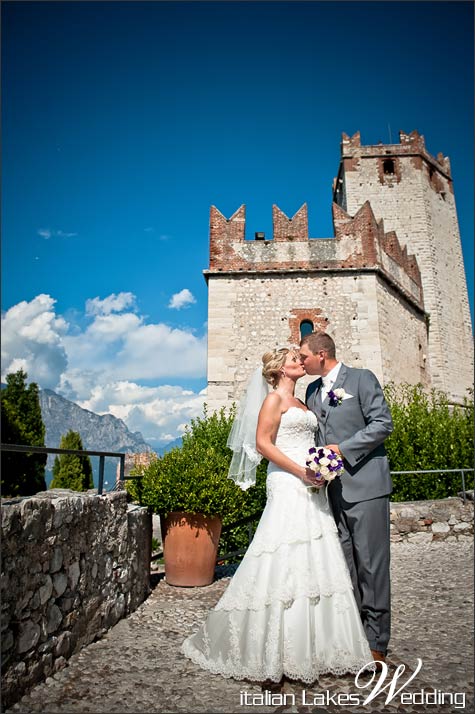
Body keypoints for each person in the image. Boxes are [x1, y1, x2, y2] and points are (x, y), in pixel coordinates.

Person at [181, 347, 374, 686]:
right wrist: (301, 471)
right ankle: (269, 650)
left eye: (301, 359)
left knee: (313, 554)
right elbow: (262, 444)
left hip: (311, 482)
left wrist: (320, 468)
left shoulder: (303, 403)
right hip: (287, 480)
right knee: (281, 549)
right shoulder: (273, 401)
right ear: (280, 370)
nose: (301, 362)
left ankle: (315, 646)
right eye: (294, 360)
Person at [299, 332, 393, 664]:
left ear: (321, 354)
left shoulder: (361, 379)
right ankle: (351, 633)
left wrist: (343, 448)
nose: (302, 361)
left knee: (372, 565)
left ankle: (377, 641)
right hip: (331, 491)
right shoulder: (311, 391)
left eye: (305, 356)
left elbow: (383, 424)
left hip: (366, 487)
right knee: (344, 565)